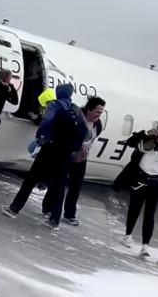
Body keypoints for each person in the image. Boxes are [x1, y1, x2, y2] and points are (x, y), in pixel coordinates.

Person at [2, 83, 87, 230]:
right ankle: (55, 221)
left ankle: (14, 209)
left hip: (50, 149)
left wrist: (40, 137)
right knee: (59, 187)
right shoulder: (76, 109)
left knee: (30, 180)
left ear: (59, 93)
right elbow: (86, 131)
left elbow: (47, 122)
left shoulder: (55, 105)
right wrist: (73, 147)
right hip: (65, 154)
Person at [112, 122, 158, 257]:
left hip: (156, 183)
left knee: (149, 214)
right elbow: (130, 142)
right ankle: (128, 235)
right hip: (140, 179)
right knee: (134, 209)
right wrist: (146, 133)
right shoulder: (147, 141)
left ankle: (145, 245)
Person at [42, 96, 106, 226]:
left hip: (82, 159)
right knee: (58, 184)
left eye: (101, 112)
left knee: (75, 186)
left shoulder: (97, 124)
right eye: (97, 111)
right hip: (68, 155)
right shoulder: (77, 119)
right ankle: (48, 207)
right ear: (89, 109)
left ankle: (69, 213)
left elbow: (92, 138)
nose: (99, 115)